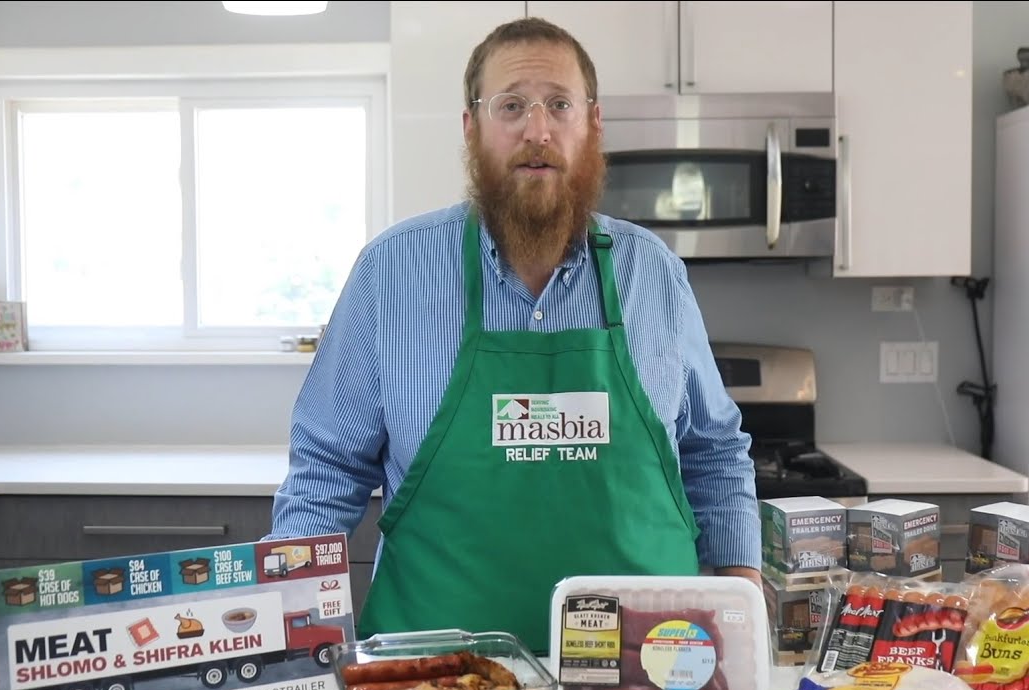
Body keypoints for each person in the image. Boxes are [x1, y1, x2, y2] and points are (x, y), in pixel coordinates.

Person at [267, 16, 761, 655]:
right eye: (511, 106)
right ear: (471, 127)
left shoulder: (653, 273)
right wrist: (292, 633)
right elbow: (325, 470)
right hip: (435, 676)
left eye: (559, 104)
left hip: (647, 669)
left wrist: (745, 607)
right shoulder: (392, 274)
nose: (537, 130)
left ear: (593, 124)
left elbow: (713, 453)